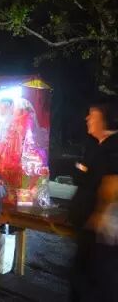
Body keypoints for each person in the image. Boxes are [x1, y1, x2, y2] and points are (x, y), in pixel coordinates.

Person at [69, 97, 118, 302]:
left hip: (102, 235)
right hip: (89, 230)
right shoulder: (97, 146)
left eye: (92, 115)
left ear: (106, 119)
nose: (87, 118)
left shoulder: (113, 148)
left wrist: (100, 214)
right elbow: (82, 174)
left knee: (96, 284)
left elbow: (113, 183)